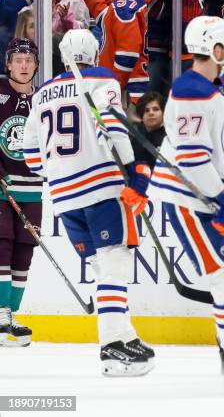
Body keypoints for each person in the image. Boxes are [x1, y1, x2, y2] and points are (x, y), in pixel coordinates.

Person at [147, 16, 224, 394]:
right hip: (191, 200)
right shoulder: (190, 91)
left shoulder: (218, 87)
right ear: (214, 49)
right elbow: (192, 159)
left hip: (213, 197)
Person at [23, 29, 154, 376]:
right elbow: (112, 126)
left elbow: (31, 156)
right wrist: (135, 175)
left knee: (103, 269)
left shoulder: (41, 94)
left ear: (64, 57)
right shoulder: (101, 79)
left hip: (64, 197)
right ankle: (111, 346)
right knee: (115, 266)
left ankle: (124, 335)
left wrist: (57, 171)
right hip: (101, 189)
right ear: (95, 53)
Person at [0, 38, 42, 347]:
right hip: (3, 186)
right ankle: (1, 316)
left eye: (29, 60)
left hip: (33, 188)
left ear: (36, 65)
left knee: (24, 250)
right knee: (2, 246)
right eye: (18, 60)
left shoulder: (44, 99)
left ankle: (11, 316)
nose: (24, 65)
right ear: (8, 63)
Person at [85, 0, 149, 103]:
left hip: (126, 89)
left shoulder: (125, 5)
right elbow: (106, 18)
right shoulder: (128, 1)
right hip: (130, 84)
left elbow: (128, 53)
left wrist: (115, 85)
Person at [131, 92, 166, 171]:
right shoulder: (132, 136)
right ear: (141, 115)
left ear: (163, 113)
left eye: (156, 109)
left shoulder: (169, 138)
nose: (151, 113)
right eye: (146, 110)